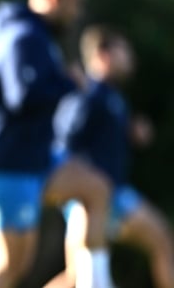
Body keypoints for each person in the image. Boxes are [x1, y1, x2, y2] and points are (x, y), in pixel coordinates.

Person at [0, 0, 113, 288]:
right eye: (74, 1)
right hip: (4, 164)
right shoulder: (24, 36)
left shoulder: (34, 34)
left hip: (31, 159)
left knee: (95, 189)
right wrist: (70, 83)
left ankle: (94, 281)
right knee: (9, 265)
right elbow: (23, 96)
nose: (77, 10)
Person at [45, 25, 174, 288]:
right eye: (123, 50)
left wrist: (130, 132)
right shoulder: (88, 94)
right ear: (104, 54)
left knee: (75, 276)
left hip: (111, 194)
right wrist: (81, 190)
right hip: (98, 197)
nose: (130, 57)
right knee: (160, 238)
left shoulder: (113, 97)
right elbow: (64, 141)